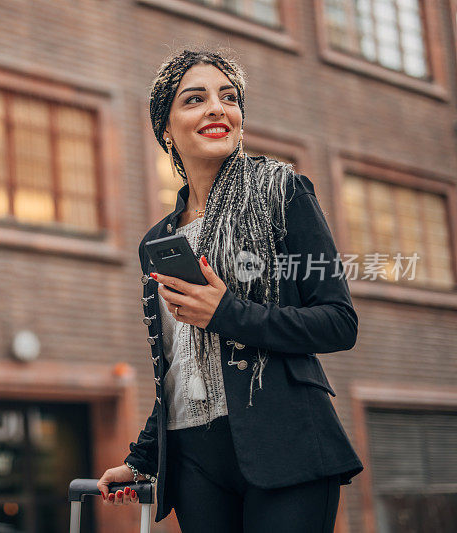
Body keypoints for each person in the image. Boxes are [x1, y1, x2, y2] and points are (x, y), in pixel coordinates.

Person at [96, 49, 363, 533]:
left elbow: (339, 321)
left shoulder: (283, 192)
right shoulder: (158, 241)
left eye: (229, 97)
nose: (217, 108)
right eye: (194, 99)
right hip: (195, 458)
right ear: (166, 130)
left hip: (285, 442)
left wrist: (228, 312)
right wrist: (143, 458)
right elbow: (180, 361)